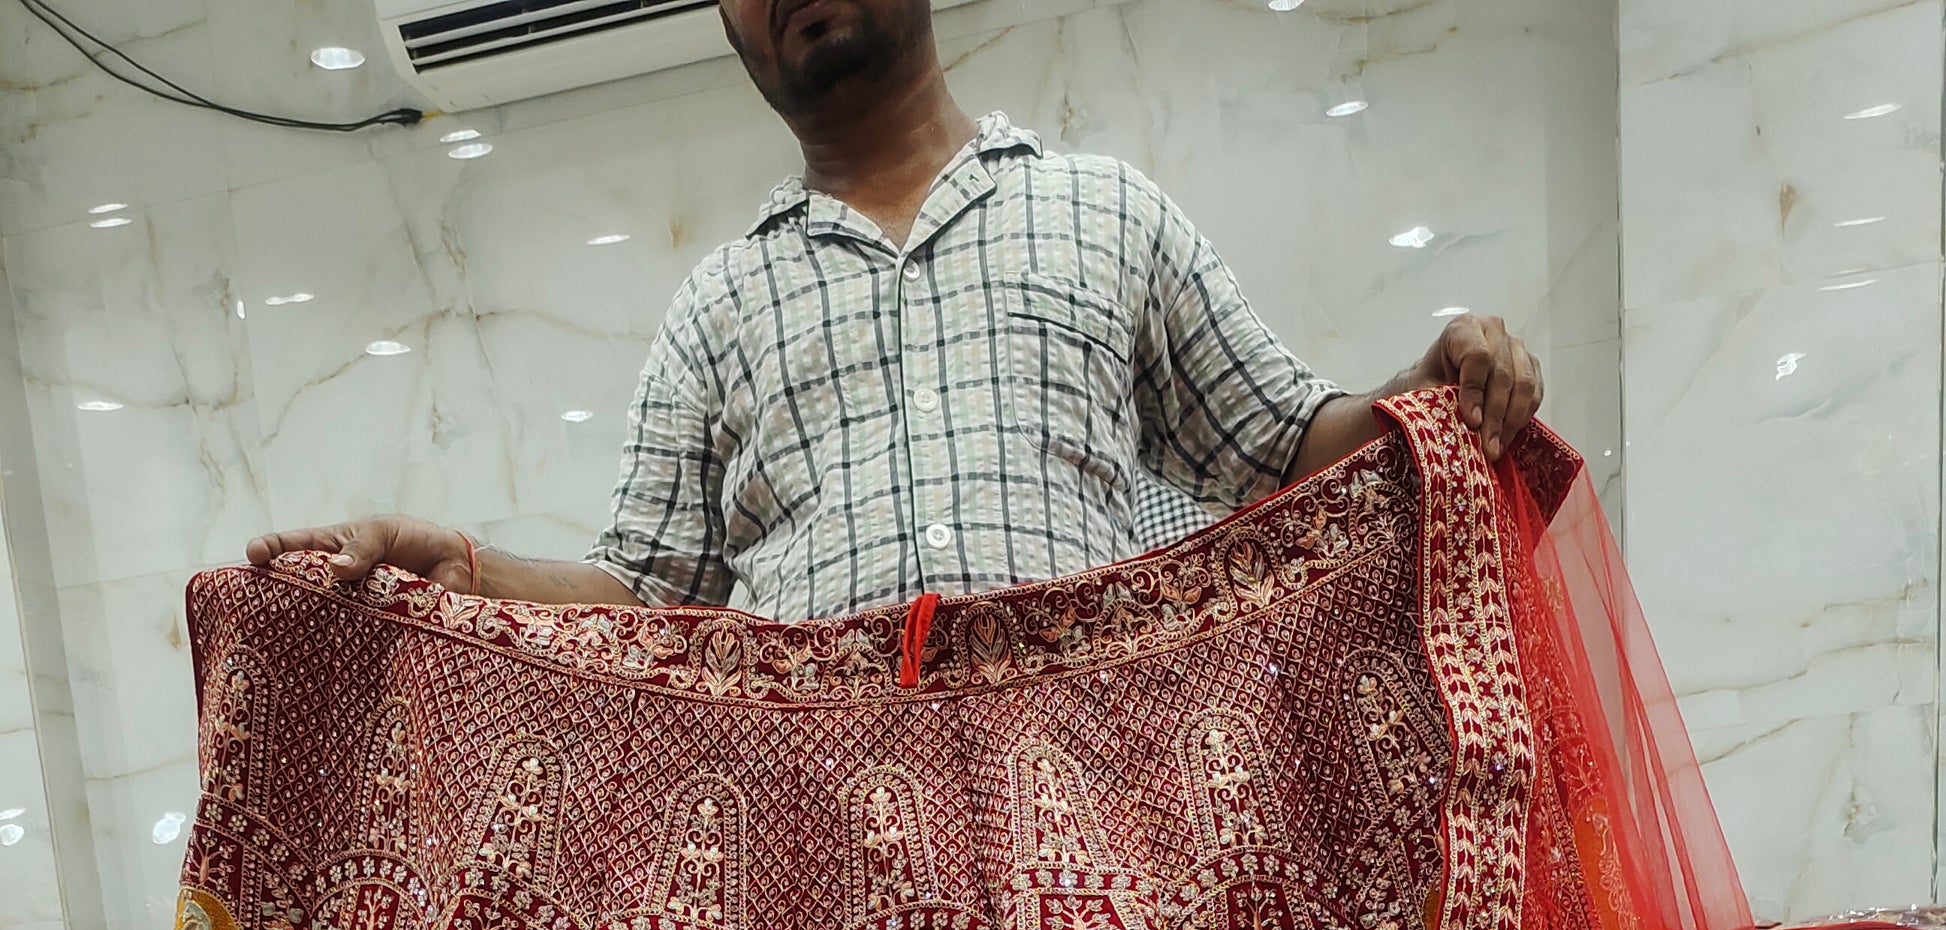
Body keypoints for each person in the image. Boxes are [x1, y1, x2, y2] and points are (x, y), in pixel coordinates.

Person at [246, 0, 1542, 622]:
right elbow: (644, 595)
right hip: (823, 884)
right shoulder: (718, 304)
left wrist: (1427, 393)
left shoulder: (1106, 212)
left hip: (1098, 843)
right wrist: (460, 566)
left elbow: (1286, 452)